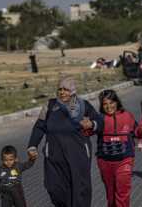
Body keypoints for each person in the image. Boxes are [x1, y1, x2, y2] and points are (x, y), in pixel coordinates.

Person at [27, 79, 103, 207]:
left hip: (78, 155)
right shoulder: (50, 105)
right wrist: (32, 145)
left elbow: (100, 122)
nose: (62, 92)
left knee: (79, 189)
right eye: (60, 89)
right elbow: (40, 126)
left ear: (72, 91)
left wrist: (92, 124)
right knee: (54, 188)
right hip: (54, 156)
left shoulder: (83, 105)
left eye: (66, 90)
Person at [96, 90, 141, 207]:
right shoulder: (100, 118)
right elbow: (90, 129)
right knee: (111, 196)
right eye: (105, 104)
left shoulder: (127, 116)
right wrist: (87, 126)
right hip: (105, 162)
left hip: (125, 160)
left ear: (117, 102)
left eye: (111, 103)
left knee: (122, 193)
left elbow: (136, 131)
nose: (109, 106)